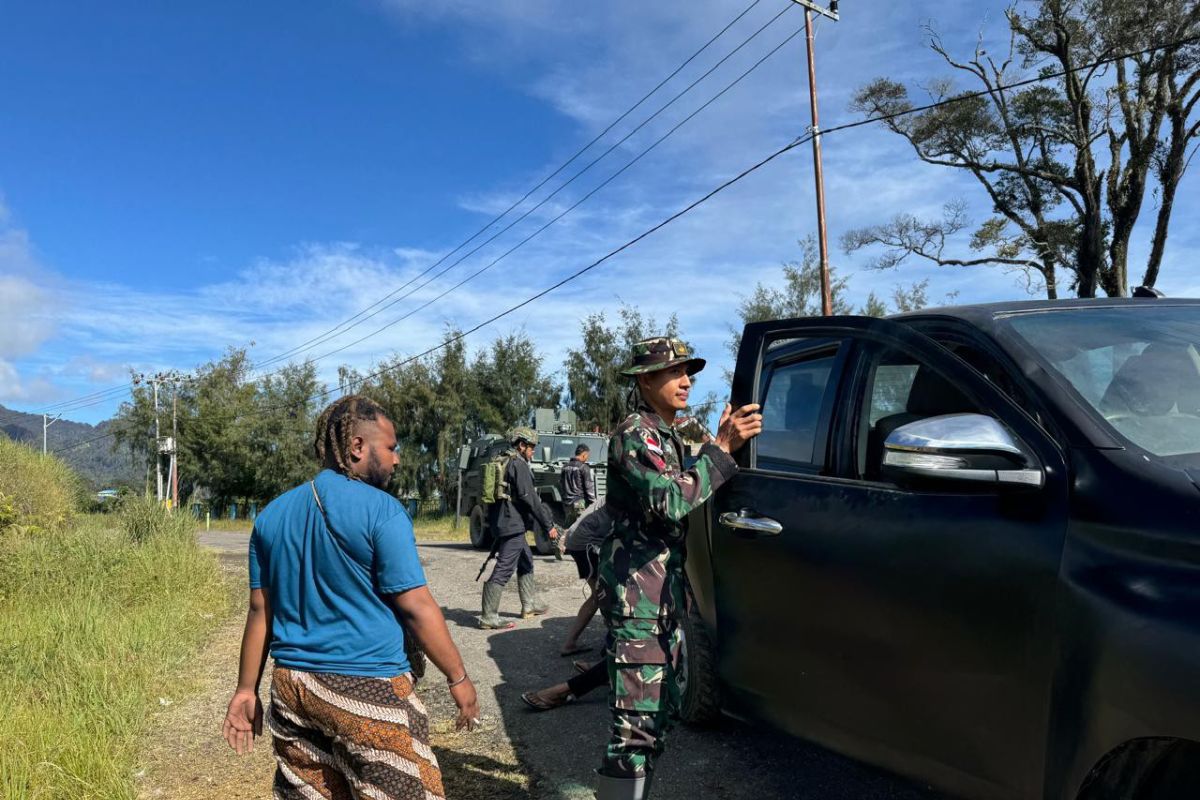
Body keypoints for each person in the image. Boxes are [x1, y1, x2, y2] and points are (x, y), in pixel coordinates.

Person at [221, 395, 479, 800]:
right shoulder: (384, 510)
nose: (396, 460)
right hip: (366, 686)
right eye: (391, 448)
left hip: (292, 689)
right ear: (358, 447)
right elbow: (416, 606)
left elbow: (260, 612)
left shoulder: (271, 515)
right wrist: (458, 677)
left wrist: (244, 690)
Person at [593, 337, 761, 800]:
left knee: (657, 718)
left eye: (688, 371)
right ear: (645, 380)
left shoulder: (671, 430)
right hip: (637, 600)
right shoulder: (635, 433)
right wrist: (722, 449)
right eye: (674, 372)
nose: (686, 380)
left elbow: (702, 470)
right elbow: (670, 501)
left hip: (661, 596)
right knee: (634, 732)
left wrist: (720, 440)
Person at [478, 426, 560, 630]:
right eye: (531, 447)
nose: (533, 451)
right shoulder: (518, 464)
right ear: (521, 445)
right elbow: (530, 498)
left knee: (526, 561)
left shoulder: (503, 460)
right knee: (504, 568)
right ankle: (488, 615)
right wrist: (548, 525)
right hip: (512, 524)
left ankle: (529, 605)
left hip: (504, 521)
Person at [560, 443, 596, 527]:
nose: (587, 458)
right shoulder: (584, 468)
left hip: (567, 504)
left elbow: (561, 485)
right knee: (582, 529)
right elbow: (589, 488)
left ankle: (562, 540)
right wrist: (594, 503)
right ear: (584, 455)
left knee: (568, 528)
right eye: (587, 456)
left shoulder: (565, 467)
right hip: (579, 503)